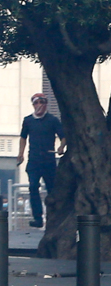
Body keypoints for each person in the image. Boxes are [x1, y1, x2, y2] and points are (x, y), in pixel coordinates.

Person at [17, 93, 65, 228]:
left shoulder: (52, 120)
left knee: (52, 189)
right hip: (34, 160)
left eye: (43, 102)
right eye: (38, 102)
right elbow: (23, 137)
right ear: (33, 105)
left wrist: (61, 146)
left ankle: (53, 217)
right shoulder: (28, 121)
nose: (40, 105)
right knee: (33, 186)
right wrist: (20, 153)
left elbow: (63, 136)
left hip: (48, 160)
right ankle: (37, 218)